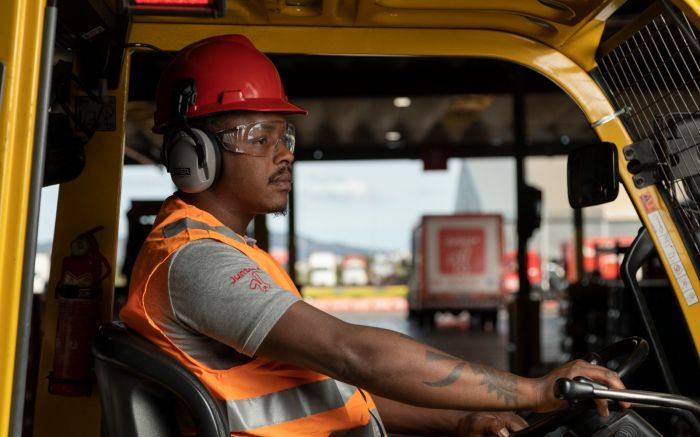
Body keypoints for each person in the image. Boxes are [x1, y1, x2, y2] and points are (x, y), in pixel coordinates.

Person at [120, 34, 626, 437]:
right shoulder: (197, 260)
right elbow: (354, 354)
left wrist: (460, 421)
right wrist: (533, 391)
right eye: (260, 136)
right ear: (194, 155)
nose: (285, 153)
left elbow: (336, 390)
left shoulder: (229, 251)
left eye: (285, 136)